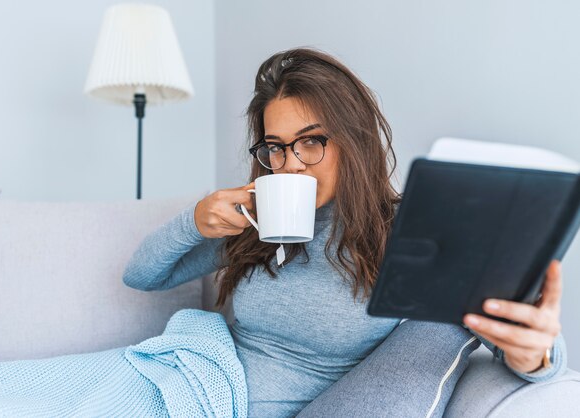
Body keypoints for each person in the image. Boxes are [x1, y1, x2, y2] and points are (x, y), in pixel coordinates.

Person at [122, 47, 567, 417]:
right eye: (275, 147)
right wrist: (195, 220)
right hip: (186, 381)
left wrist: (539, 354)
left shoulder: (406, 233)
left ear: (353, 141)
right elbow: (143, 276)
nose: (291, 162)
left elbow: (504, 324)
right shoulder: (258, 216)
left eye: (311, 141)